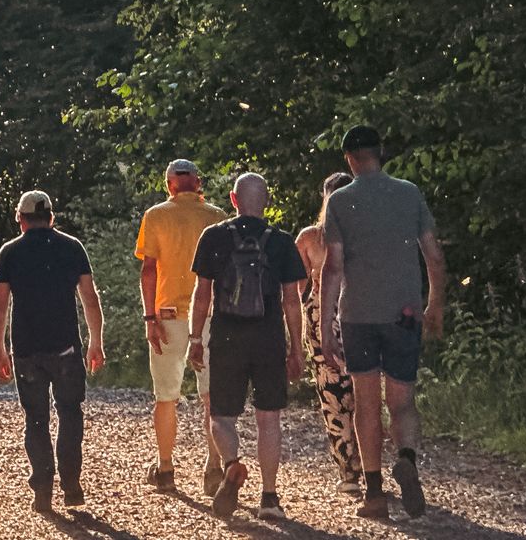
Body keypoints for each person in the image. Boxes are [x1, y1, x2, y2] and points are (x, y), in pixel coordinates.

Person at [319, 127, 448, 520]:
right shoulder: (409, 193)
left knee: (366, 402)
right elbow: (434, 255)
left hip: (358, 315)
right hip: (403, 312)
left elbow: (334, 266)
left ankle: (374, 494)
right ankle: (406, 458)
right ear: (381, 153)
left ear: (349, 159)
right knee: (402, 400)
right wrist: (435, 303)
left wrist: (326, 326)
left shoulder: (340, 201)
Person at [187, 172, 306, 520]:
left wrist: (196, 338)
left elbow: (202, 294)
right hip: (267, 336)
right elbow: (291, 302)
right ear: (266, 201)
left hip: (226, 335)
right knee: (269, 419)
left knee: (221, 415)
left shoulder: (214, 236)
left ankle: (232, 465)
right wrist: (295, 348)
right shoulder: (282, 243)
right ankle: (270, 498)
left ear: (233, 199)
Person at [0, 191, 107, 513]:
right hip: (66, 348)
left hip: (26, 350)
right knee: (70, 413)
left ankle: (42, 489)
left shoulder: (10, 252)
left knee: (36, 419)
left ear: (20, 219)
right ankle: (71, 485)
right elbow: (90, 298)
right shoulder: (72, 247)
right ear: (52, 217)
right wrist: (96, 341)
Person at [135, 159, 228, 497]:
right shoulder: (217, 217)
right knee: (210, 396)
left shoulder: (156, 215)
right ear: (197, 183)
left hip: (168, 315)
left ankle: (165, 468)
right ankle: (213, 466)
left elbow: (148, 271)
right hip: (210, 316)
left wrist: (149, 318)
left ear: (169, 184)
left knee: (166, 396)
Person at [296, 171, 361, 492]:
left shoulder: (310, 239)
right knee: (362, 393)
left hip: (321, 320)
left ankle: (348, 470)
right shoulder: (367, 235)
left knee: (332, 395)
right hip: (360, 316)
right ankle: (369, 464)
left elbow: (297, 290)